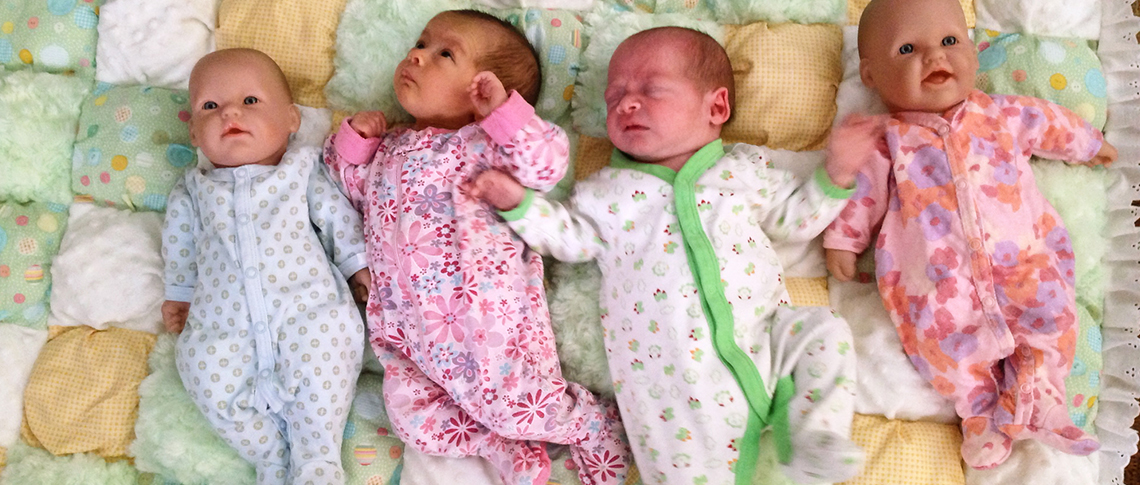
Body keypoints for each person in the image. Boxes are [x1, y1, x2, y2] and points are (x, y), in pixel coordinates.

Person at [469, 26, 871, 485]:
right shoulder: (607, 194)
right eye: (615, 94)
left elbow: (795, 220)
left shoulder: (742, 170)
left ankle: (812, 440)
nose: (626, 103)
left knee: (824, 332)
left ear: (716, 107)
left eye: (651, 90)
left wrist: (837, 169)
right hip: (674, 378)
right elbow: (569, 237)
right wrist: (518, 203)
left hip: (766, 339)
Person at [321, 10, 630, 485]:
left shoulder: (483, 144)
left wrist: (504, 115)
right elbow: (354, 190)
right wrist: (355, 143)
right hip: (407, 333)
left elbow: (546, 163)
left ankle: (587, 420)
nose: (416, 55)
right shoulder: (392, 144)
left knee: (513, 402)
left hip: (483, 322)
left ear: (483, 91)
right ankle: (498, 445)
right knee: (414, 420)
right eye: (421, 43)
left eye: (444, 53)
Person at [822, 0, 1118, 469]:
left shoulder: (999, 114)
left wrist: (1088, 142)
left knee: (1054, 318)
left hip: (1024, 261)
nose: (934, 57)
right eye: (907, 49)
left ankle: (1041, 393)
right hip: (941, 286)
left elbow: (1048, 123)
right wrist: (845, 238)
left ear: (974, 54)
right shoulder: (888, 142)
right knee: (943, 351)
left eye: (949, 42)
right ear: (872, 76)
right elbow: (863, 195)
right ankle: (979, 415)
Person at [161, 48, 371, 484]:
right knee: (199, 367)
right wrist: (179, 293)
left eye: (250, 101)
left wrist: (356, 267)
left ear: (292, 120)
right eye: (210, 106)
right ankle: (272, 459)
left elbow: (335, 216)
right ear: (195, 136)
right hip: (222, 331)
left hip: (307, 314)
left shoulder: (301, 170)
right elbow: (179, 244)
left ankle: (317, 462)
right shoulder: (193, 191)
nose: (230, 113)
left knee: (326, 350)